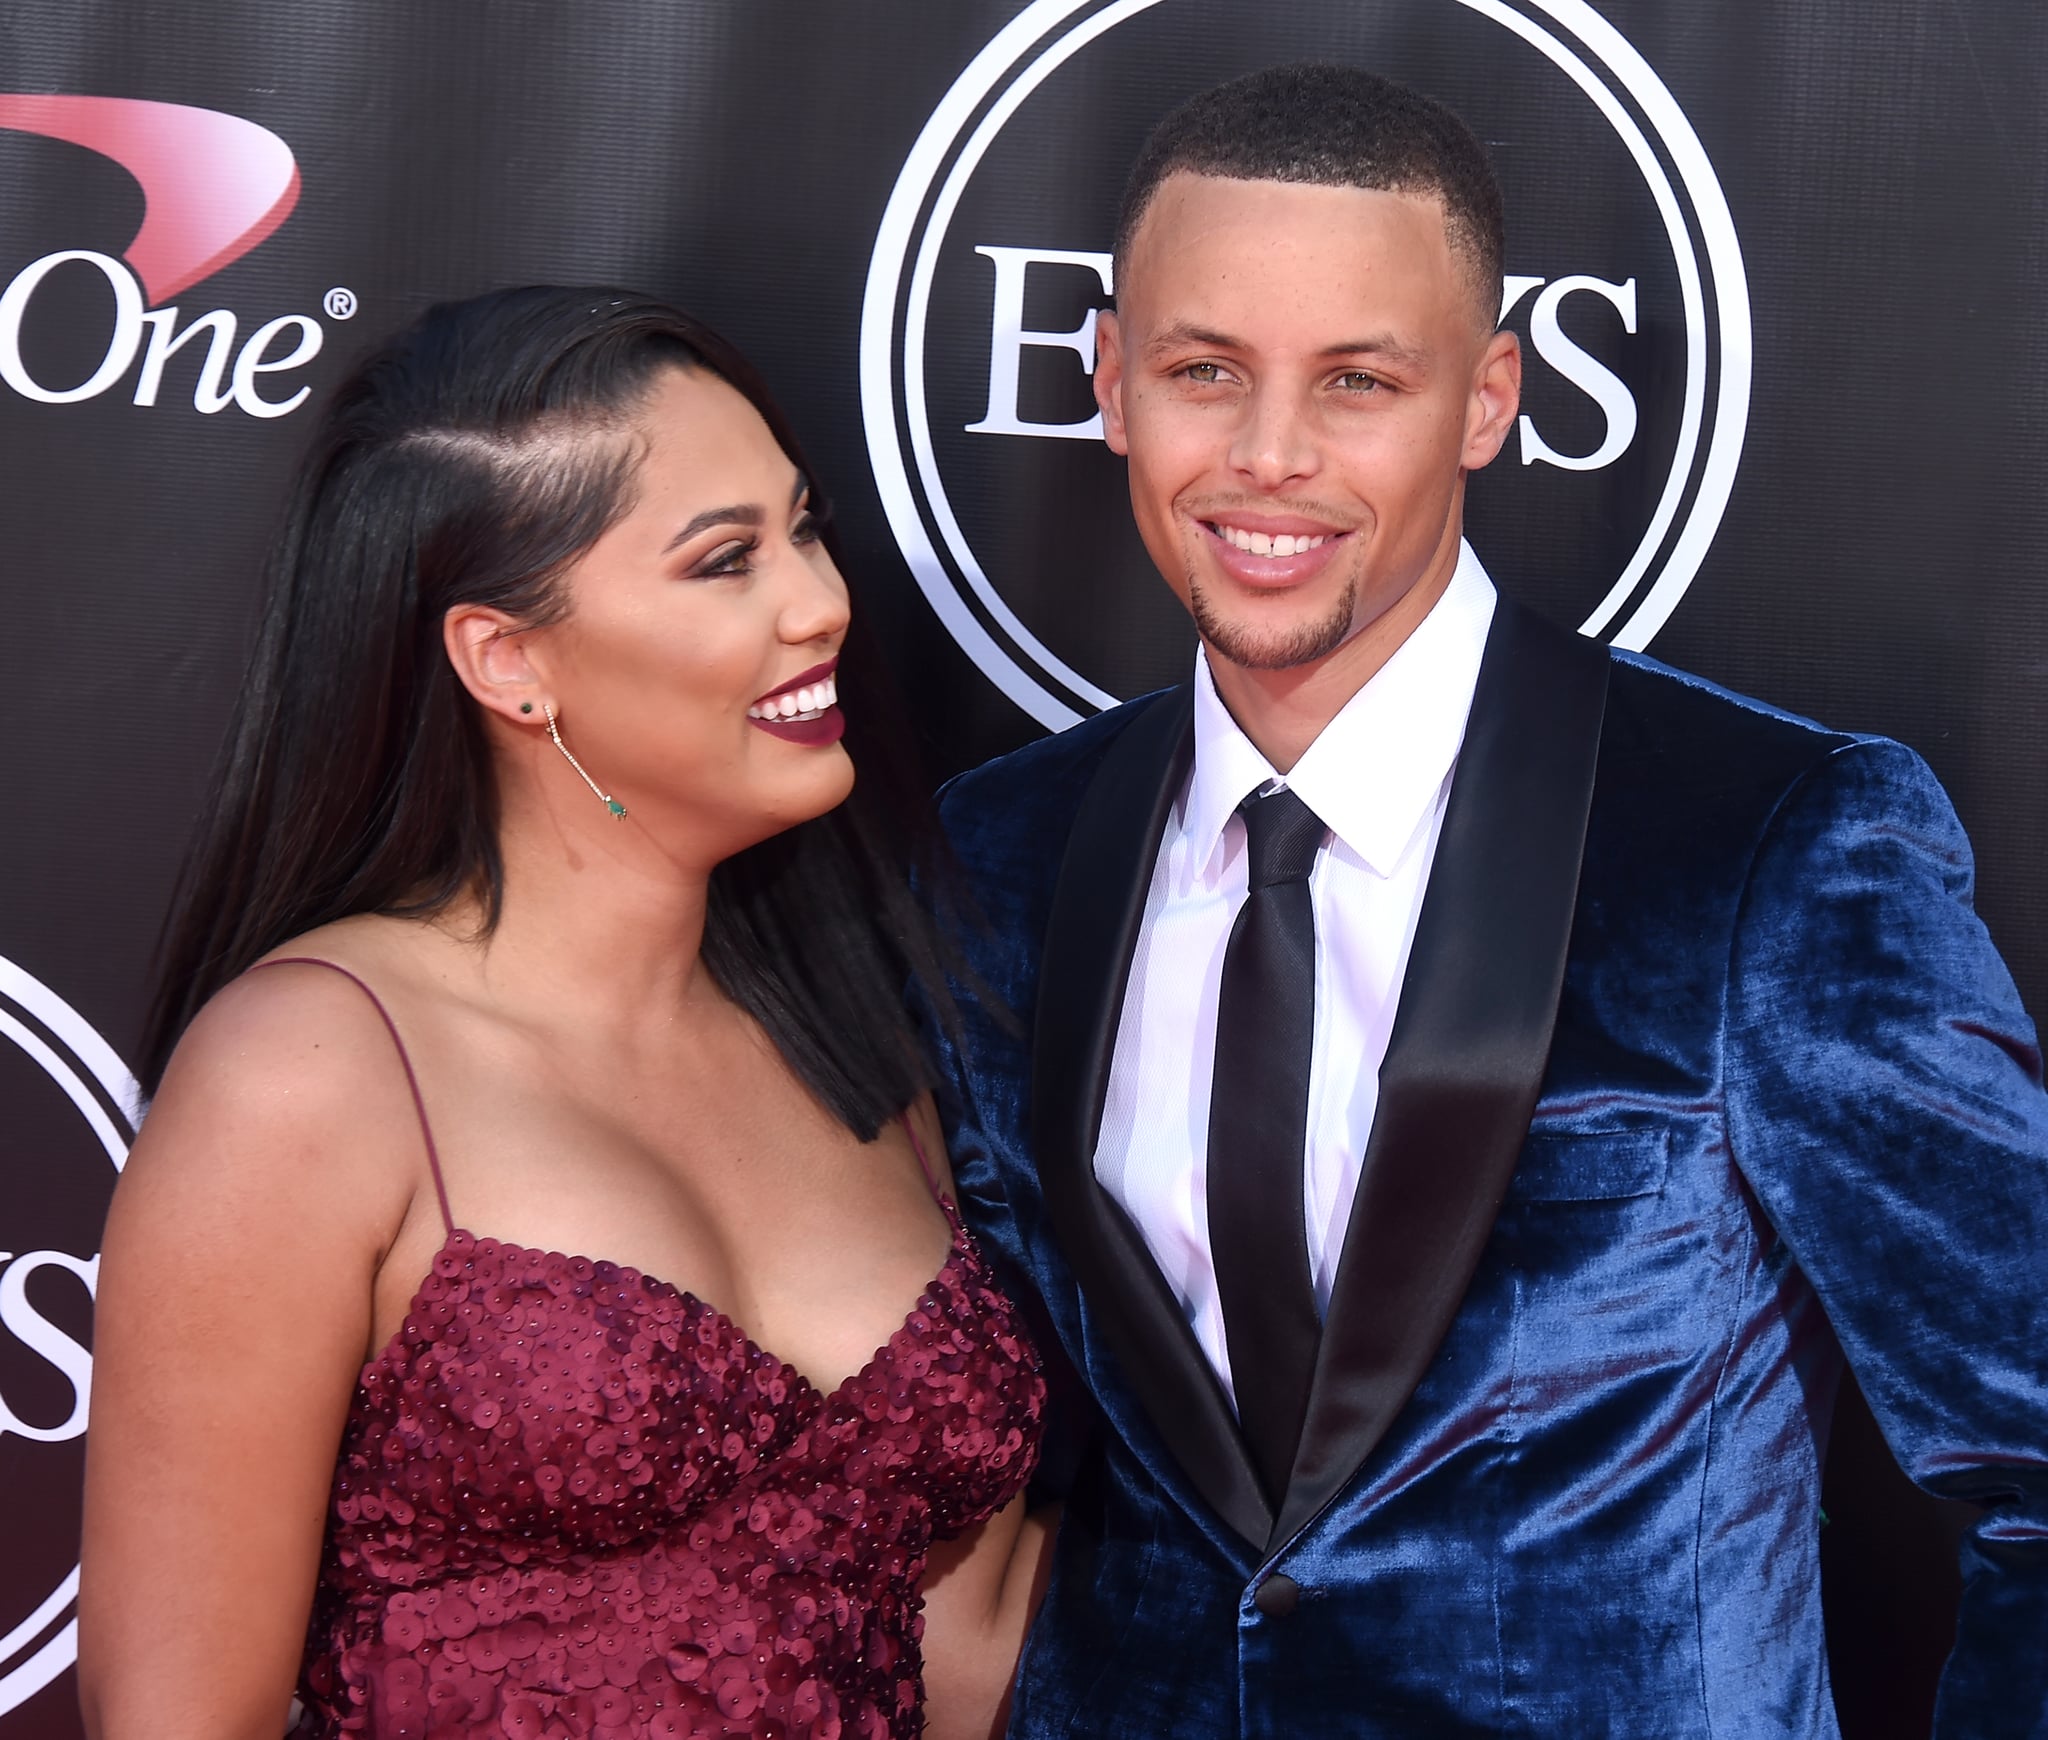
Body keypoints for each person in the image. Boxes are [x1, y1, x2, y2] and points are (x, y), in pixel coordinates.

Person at [927, 63, 2048, 1738]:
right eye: (1203, 371)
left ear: (1488, 398)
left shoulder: (1772, 840)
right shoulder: (1002, 848)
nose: (1269, 456)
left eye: (1359, 381)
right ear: (1108, 383)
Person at [77, 287, 1050, 1740]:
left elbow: (963, 1649)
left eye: (805, 526)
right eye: (726, 561)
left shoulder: (853, 1042)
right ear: (506, 661)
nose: (823, 601)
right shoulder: (313, 1074)